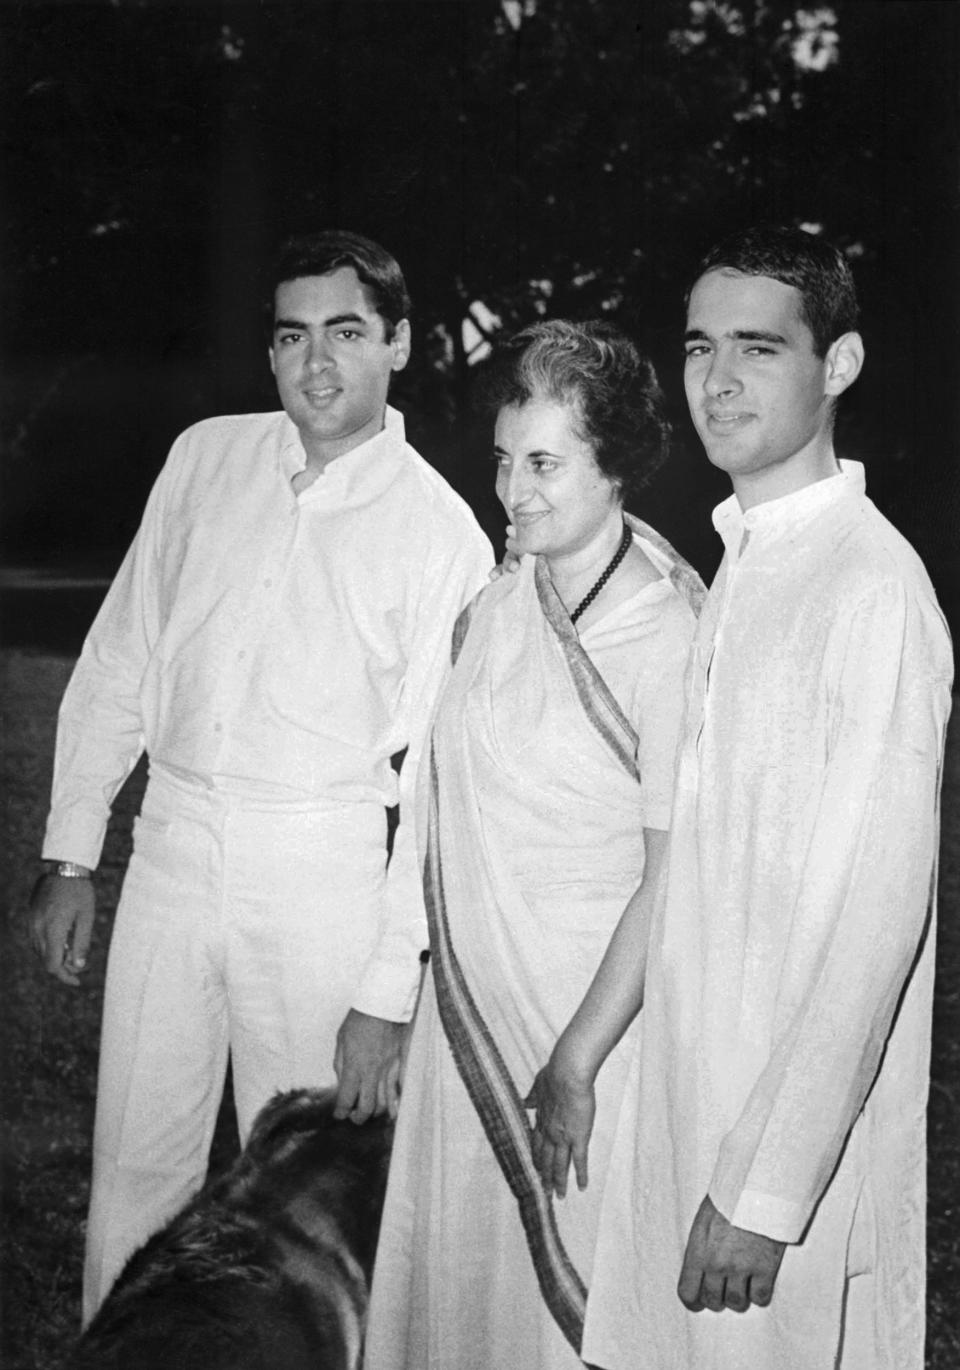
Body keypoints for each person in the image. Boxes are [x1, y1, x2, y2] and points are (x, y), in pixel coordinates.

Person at [27, 230, 493, 1323]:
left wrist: (385, 991)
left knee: (303, 1196)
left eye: (345, 332)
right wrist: (70, 850)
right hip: (173, 853)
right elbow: (121, 655)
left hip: (319, 866)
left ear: (400, 344)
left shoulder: (442, 534)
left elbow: (432, 790)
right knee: (136, 1169)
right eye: (292, 335)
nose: (316, 362)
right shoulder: (206, 458)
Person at [581, 225, 954, 1370]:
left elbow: (873, 925)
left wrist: (768, 1185)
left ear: (836, 365)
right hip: (690, 1104)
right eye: (700, 347)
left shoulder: (871, 588)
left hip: (780, 1170)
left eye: (758, 347)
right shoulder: (745, 560)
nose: (719, 380)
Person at [363, 319, 705, 1369]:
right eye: (505, 460)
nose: (514, 489)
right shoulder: (495, 607)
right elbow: (432, 809)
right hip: (469, 1017)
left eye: (546, 462)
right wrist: (388, 988)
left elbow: (674, 872)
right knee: (468, 1287)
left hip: (599, 1029)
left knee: (577, 1308)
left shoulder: (671, 631)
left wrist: (575, 1056)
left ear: (615, 467)